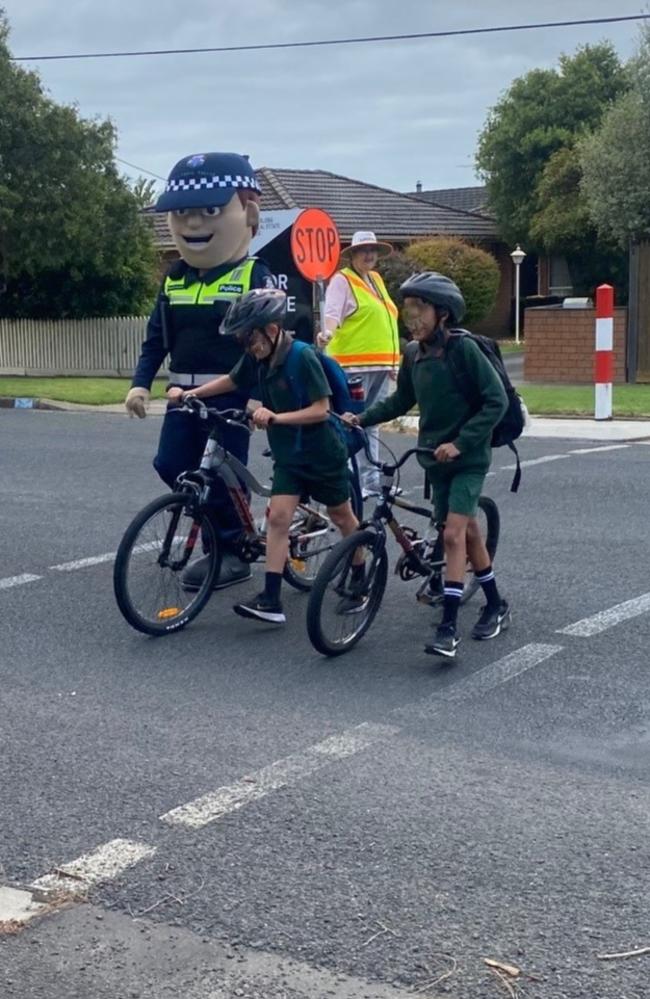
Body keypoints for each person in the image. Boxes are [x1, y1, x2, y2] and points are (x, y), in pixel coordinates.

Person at [124, 152, 274, 590]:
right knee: (172, 464)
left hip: (231, 395)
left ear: (248, 213)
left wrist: (258, 395)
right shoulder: (174, 279)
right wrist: (139, 384)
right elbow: (156, 339)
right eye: (182, 212)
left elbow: (269, 343)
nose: (192, 223)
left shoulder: (253, 275)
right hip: (181, 396)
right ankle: (217, 530)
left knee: (223, 476)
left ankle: (230, 551)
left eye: (209, 211)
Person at [167, 288, 362, 625]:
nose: (247, 346)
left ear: (272, 330)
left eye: (250, 338)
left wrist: (276, 417)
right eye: (243, 340)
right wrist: (190, 393)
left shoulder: (302, 356)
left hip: (322, 453)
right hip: (289, 455)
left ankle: (360, 577)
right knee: (277, 518)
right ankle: (271, 599)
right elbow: (232, 380)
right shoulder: (259, 357)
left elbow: (320, 410)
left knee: (342, 517)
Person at [345, 271, 510, 659]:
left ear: (444, 314)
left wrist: (461, 443)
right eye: (408, 311)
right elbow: (401, 400)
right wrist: (362, 417)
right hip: (433, 458)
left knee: (453, 535)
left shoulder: (464, 351)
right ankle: (495, 603)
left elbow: (495, 401)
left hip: (467, 458)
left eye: (420, 310)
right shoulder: (413, 354)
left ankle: (448, 628)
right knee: (467, 533)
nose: (412, 319)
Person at [317, 231, 399, 499]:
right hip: (353, 365)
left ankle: (370, 482)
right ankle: (342, 481)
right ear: (352, 255)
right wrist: (327, 332)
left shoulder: (375, 279)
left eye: (372, 250)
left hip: (380, 363)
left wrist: (394, 360)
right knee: (350, 422)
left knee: (371, 422)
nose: (369, 255)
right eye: (363, 250)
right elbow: (332, 314)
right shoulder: (342, 280)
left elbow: (386, 318)